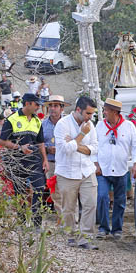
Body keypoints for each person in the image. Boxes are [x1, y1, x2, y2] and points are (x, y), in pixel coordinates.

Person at [54, 96, 99, 249]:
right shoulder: (62, 124)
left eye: (92, 114)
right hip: (67, 172)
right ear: (78, 110)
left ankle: (85, 237)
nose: (90, 117)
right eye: (88, 113)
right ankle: (70, 235)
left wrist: (75, 143)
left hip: (87, 170)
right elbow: (65, 149)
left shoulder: (90, 125)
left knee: (91, 204)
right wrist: (81, 136)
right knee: (68, 208)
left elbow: (94, 149)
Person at [0, 93, 49, 227]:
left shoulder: (37, 121)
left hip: (34, 161)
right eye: (36, 104)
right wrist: (19, 147)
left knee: (39, 188)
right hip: (17, 161)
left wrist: (45, 160)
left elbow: (41, 142)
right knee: (19, 192)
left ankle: (37, 223)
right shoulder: (12, 119)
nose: (39, 107)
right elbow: (2, 141)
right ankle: (22, 222)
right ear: (27, 103)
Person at [93, 98, 136, 239]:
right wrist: (95, 164)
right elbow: (94, 145)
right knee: (102, 197)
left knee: (120, 200)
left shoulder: (129, 126)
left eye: (106, 110)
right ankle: (103, 228)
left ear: (115, 112)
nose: (104, 112)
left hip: (121, 169)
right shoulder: (100, 126)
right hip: (103, 169)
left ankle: (117, 229)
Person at [42, 95, 68, 215]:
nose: (53, 108)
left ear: (62, 108)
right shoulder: (43, 125)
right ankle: (61, 217)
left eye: (56, 106)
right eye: (50, 106)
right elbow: (39, 143)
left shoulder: (68, 123)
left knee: (68, 190)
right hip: (51, 162)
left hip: (66, 162)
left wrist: (61, 148)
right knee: (55, 191)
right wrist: (47, 149)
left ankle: (72, 219)